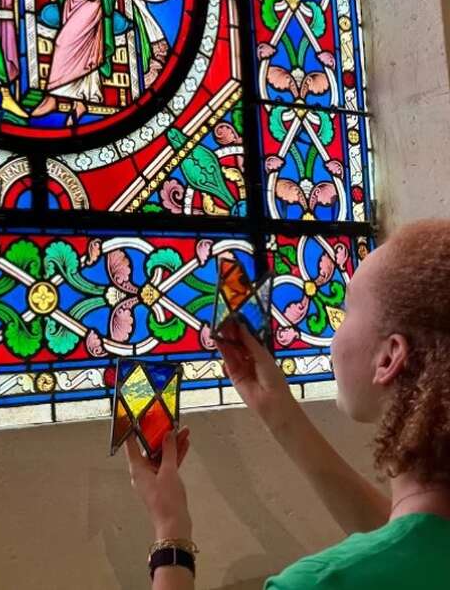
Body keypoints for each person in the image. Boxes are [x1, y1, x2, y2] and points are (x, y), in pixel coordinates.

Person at [125, 220, 450, 587]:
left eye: (344, 314)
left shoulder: (319, 583)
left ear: (389, 358)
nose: (332, 337)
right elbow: (407, 540)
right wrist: (278, 411)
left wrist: (171, 531)